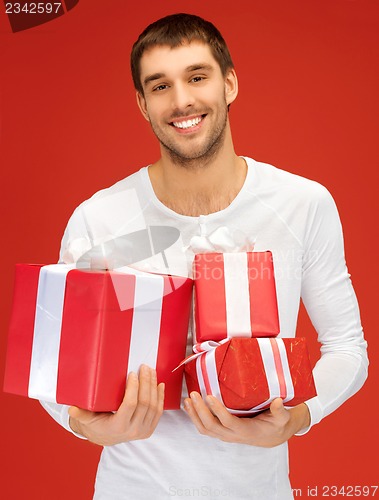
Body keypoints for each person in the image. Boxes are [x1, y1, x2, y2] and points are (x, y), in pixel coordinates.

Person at [41, 13, 368, 499]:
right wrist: (84, 425)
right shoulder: (100, 218)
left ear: (230, 83)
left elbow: (347, 346)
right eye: (160, 86)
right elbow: (51, 367)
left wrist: (296, 419)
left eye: (197, 77)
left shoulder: (303, 205)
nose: (182, 101)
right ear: (142, 104)